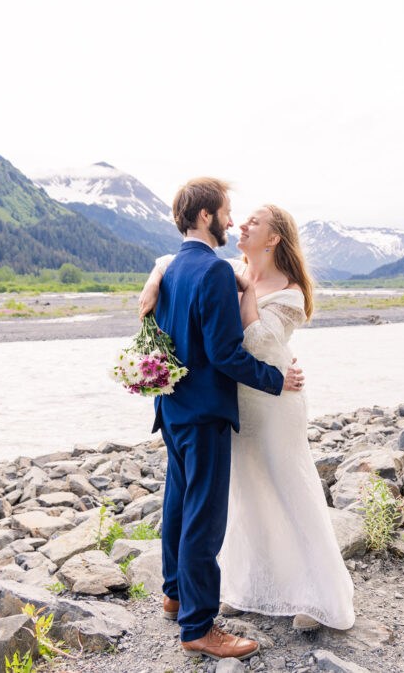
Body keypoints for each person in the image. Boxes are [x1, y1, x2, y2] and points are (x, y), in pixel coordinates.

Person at [140, 201, 355, 637]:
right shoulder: (229, 268)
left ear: (274, 238)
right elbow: (175, 258)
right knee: (243, 495)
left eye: (253, 222)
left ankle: (317, 593)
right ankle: (254, 586)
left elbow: (259, 341)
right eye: (238, 217)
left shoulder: (290, 290)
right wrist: (153, 279)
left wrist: (249, 295)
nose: (240, 224)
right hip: (235, 398)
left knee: (286, 487)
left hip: (274, 402)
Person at [148, 177, 305, 662]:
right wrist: (276, 379)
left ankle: (175, 595)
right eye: (225, 212)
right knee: (204, 517)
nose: (231, 221)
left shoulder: (172, 268)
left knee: (177, 504)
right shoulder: (214, 272)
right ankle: (198, 625)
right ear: (204, 217)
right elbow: (224, 353)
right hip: (205, 412)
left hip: (171, 406)